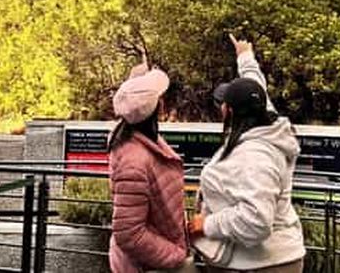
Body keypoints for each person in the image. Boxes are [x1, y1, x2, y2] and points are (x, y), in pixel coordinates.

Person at [189, 35, 305, 272]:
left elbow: (256, 221)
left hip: (261, 264)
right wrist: (245, 56)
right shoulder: (269, 125)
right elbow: (256, 86)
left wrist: (206, 224)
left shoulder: (254, 156)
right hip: (271, 259)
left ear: (228, 110)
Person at [108, 61, 195, 273]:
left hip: (153, 261)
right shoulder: (134, 162)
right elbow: (129, 233)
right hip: (147, 266)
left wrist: (135, 80)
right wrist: (177, 256)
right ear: (157, 107)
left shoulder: (136, 141)